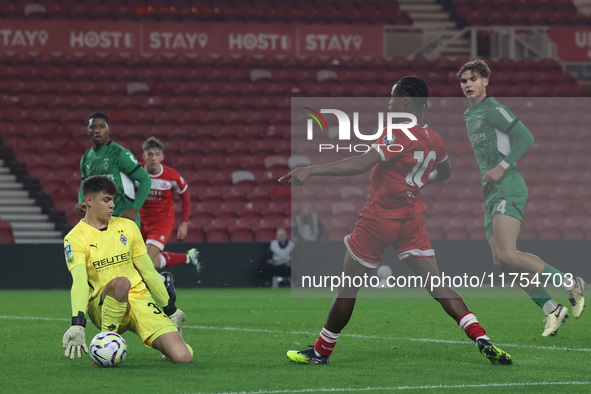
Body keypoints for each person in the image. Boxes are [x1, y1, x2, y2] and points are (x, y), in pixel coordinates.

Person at [280, 76, 511, 365]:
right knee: (437, 284)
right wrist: (416, 185)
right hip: (410, 218)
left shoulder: (396, 133)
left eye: (393, 96)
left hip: (378, 219)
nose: (389, 102)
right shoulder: (435, 139)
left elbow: (363, 163)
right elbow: (446, 173)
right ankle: (481, 336)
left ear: (405, 101)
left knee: (348, 289)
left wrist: (313, 170)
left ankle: (320, 352)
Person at [457, 59, 585, 337]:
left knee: (508, 253)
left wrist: (502, 167)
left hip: (508, 186)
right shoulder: (469, 115)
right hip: (491, 192)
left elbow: (525, 137)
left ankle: (570, 282)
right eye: (464, 80)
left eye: (473, 79)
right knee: (502, 262)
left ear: (485, 81)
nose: (468, 84)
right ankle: (551, 308)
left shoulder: (494, 109)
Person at [62, 175, 192, 363]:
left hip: (139, 298)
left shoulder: (128, 227)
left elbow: (148, 271)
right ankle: (105, 341)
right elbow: (80, 282)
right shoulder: (75, 238)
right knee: (121, 282)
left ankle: (167, 345)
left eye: (113, 200)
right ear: (89, 201)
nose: (112, 205)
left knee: (183, 357)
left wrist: (170, 309)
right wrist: (78, 323)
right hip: (103, 304)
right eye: (106, 200)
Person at [77, 112, 152, 229]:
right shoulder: (86, 158)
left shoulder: (120, 153)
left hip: (122, 219)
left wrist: (134, 209)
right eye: (93, 127)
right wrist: (82, 201)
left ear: (108, 130)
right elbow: (84, 184)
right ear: (88, 131)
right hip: (100, 221)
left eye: (102, 126)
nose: (97, 130)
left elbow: (145, 180)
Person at [140, 137, 200, 273]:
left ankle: (163, 281)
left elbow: (185, 197)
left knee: (146, 260)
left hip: (162, 222)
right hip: (141, 221)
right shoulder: (136, 173)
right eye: (150, 154)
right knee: (150, 262)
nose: (153, 158)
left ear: (162, 157)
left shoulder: (171, 176)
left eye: (157, 154)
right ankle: (187, 258)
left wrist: (184, 222)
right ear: (144, 156)